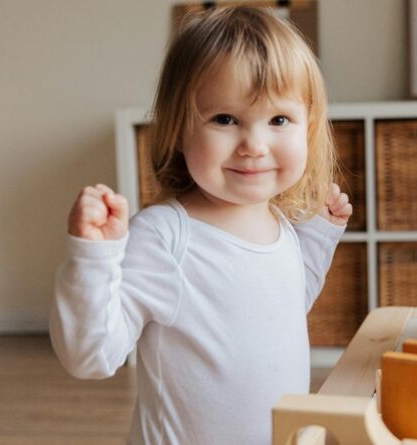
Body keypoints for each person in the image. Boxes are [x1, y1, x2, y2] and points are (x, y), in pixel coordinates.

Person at [49, 6, 351, 444]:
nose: (255, 145)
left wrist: (318, 236)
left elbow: (283, 308)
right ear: (178, 129)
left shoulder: (280, 225)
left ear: (308, 128)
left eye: (278, 120)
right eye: (225, 119)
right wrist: (93, 258)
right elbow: (89, 355)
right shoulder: (165, 238)